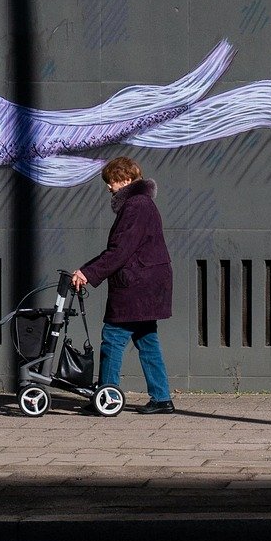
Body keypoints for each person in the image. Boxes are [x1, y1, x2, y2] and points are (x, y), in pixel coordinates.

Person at [71, 156, 175, 414]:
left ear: (126, 179)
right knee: (147, 339)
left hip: (136, 284)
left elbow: (120, 251)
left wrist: (87, 273)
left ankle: (105, 397)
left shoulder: (136, 206)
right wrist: (87, 270)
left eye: (113, 181)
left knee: (113, 337)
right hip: (147, 283)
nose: (109, 186)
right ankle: (161, 398)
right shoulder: (142, 203)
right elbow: (121, 250)